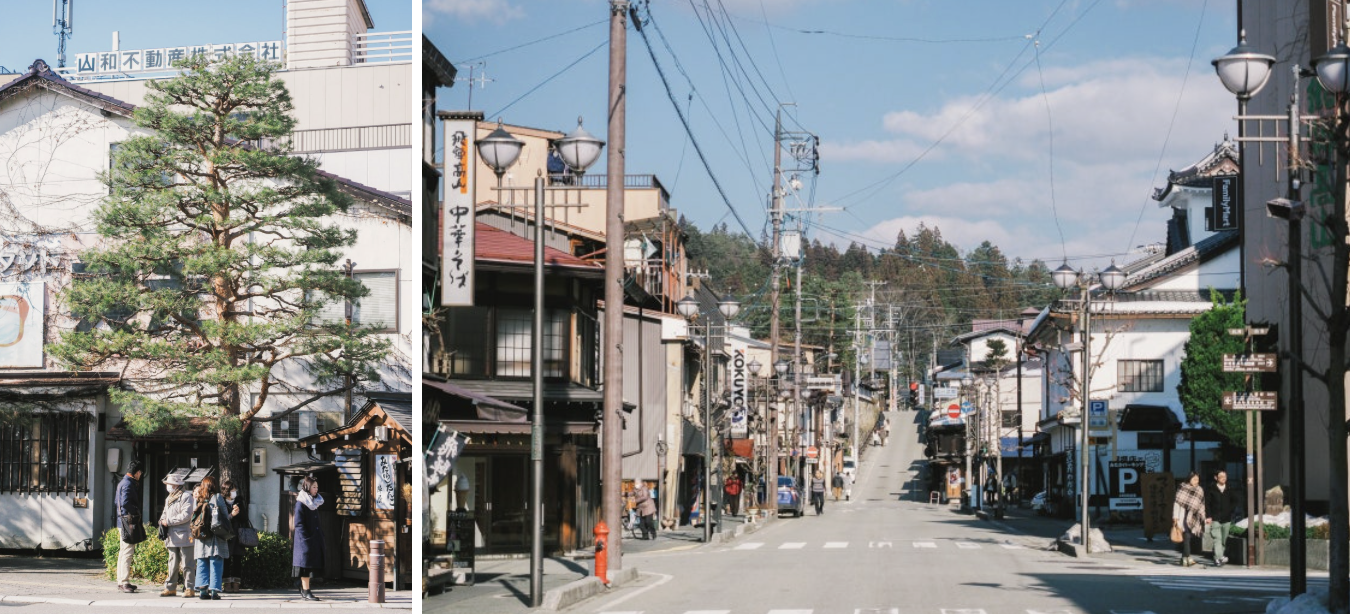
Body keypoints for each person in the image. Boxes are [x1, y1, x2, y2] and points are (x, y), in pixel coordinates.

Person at [193, 476, 231, 600]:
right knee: (216, 562)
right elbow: (225, 516)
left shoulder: (198, 498)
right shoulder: (217, 497)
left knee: (201, 562)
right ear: (214, 485)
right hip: (216, 535)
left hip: (201, 536)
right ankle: (214, 590)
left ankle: (202, 590)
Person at [159, 473, 195, 597]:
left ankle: (189, 588)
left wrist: (168, 521)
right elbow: (164, 513)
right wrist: (161, 521)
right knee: (172, 563)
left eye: (169, 484)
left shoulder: (186, 496)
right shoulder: (169, 498)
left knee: (187, 563)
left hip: (184, 535)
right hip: (171, 535)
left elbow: (186, 515)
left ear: (175, 485)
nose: (168, 486)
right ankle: (170, 587)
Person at [293, 476, 327, 601]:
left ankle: (301, 586)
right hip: (305, 541)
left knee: (309, 565)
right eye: (313, 487)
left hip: (314, 538)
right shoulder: (301, 503)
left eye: (317, 487)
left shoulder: (314, 502)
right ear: (307, 487)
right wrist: (306, 538)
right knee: (305, 566)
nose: (316, 489)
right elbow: (298, 523)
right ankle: (306, 591)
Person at [115, 458, 145, 594]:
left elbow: (118, 502)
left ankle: (121, 581)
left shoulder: (123, 482)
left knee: (123, 552)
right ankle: (124, 582)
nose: (140, 475)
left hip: (121, 521)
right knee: (127, 552)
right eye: (140, 473)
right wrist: (136, 512)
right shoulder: (128, 484)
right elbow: (126, 503)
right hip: (127, 522)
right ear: (137, 472)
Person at [1205, 470, 1242, 567]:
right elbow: (1207, 504)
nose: (1223, 478)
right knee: (1217, 538)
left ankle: (1218, 558)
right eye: (1221, 476)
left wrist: (1230, 510)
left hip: (1227, 518)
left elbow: (1236, 500)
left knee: (1223, 540)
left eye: (1225, 476)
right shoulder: (1211, 489)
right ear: (1216, 477)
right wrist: (1208, 516)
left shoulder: (1229, 488)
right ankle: (1219, 557)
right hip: (1215, 518)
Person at [221, 479, 249, 592]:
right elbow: (221, 519)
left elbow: (245, 518)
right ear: (226, 491)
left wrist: (239, 513)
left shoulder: (239, 501)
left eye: (235, 490)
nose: (234, 492)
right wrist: (231, 515)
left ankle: (237, 583)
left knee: (238, 559)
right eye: (233, 490)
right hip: (226, 534)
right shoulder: (221, 502)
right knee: (226, 559)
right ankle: (226, 583)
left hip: (238, 534)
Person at [1173, 471, 1205, 567]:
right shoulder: (1182, 488)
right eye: (1194, 479)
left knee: (1189, 537)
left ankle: (1183, 558)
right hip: (1182, 516)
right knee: (1186, 536)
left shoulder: (1199, 490)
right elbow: (1177, 503)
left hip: (1194, 516)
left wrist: (1202, 516)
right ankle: (1189, 557)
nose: (1196, 481)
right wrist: (1175, 517)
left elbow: (1201, 505)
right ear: (1189, 479)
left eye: (1197, 479)